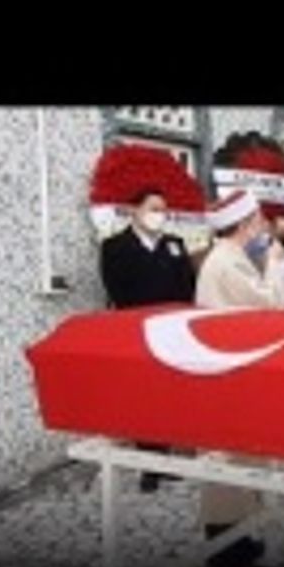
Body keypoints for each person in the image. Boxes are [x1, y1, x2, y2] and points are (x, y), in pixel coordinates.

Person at [194, 189, 284, 567]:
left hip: (234, 372)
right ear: (244, 224)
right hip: (227, 376)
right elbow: (270, 307)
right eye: (257, 219)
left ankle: (242, 540)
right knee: (226, 465)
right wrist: (276, 267)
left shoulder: (230, 257)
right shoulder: (226, 262)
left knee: (241, 461)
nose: (262, 225)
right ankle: (227, 552)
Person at [98, 188, 197, 492]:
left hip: (171, 330)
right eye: (153, 208)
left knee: (168, 394)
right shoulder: (115, 246)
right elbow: (117, 289)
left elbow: (187, 286)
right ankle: (149, 465)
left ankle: (166, 459)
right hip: (137, 330)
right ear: (134, 210)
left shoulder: (174, 244)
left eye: (163, 210)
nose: (159, 215)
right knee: (142, 396)